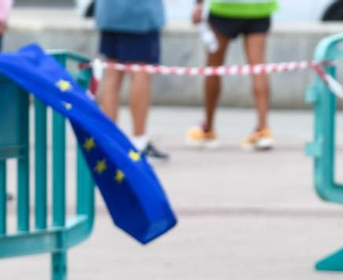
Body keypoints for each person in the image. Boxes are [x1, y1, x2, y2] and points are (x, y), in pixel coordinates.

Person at [187, 0, 276, 150]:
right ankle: (263, 130)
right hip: (259, 7)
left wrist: (199, 5)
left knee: (213, 68)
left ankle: (208, 130)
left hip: (224, 8)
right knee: (258, 68)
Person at [96, 0, 169, 161]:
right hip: (139, 15)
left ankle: (110, 141)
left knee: (112, 74)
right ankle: (139, 141)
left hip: (109, 13)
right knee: (140, 72)